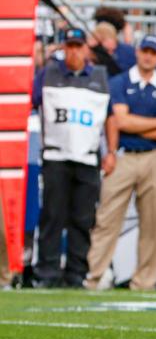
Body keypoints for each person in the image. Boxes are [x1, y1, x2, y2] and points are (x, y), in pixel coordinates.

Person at [85, 35, 156, 291]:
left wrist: (134, 124)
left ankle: (145, 280)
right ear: (137, 52)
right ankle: (95, 275)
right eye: (144, 50)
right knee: (107, 216)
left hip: (155, 156)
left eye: (153, 52)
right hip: (122, 153)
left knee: (153, 222)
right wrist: (154, 123)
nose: (148, 56)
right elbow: (120, 122)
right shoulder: (120, 81)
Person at [31, 28, 111, 288]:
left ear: (86, 49)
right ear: (64, 47)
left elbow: (111, 117)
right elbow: (30, 102)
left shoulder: (100, 77)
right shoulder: (48, 74)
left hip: (87, 158)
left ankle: (76, 273)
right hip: (56, 156)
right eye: (70, 46)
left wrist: (110, 150)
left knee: (82, 219)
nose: (74, 51)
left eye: (78, 46)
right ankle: (47, 272)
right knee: (52, 216)